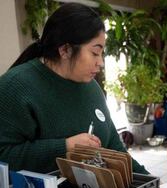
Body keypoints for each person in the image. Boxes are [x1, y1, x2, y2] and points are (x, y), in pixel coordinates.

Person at [0, 3, 149, 174]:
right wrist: (65, 147)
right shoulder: (15, 86)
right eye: (94, 53)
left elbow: (113, 146)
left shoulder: (91, 87)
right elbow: (4, 156)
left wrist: (151, 184)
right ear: (65, 50)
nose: (100, 62)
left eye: (101, 54)